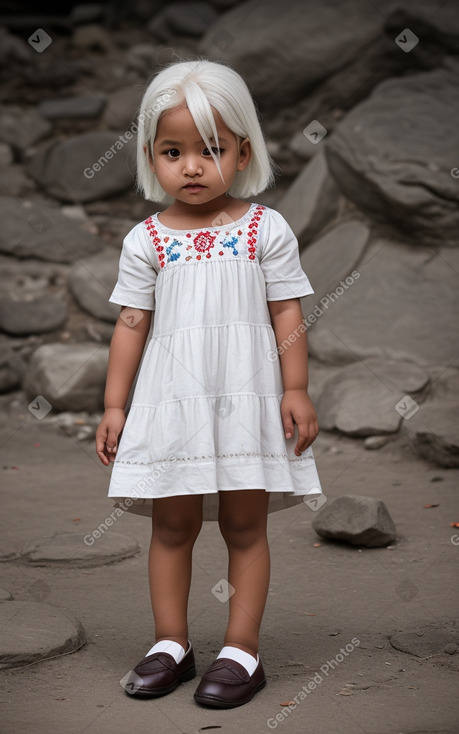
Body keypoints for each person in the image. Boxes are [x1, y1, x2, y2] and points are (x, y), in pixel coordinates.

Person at [95, 58, 323, 709]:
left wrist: (295, 388)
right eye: (173, 151)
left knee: (245, 525)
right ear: (150, 156)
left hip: (246, 402)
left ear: (243, 151)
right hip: (172, 406)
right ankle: (170, 642)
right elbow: (132, 324)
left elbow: (286, 312)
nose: (191, 166)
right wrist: (115, 404)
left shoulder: (262, 229)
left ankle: (241, 649)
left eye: (211, 149)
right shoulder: (148, 240)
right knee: (169, 525)